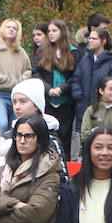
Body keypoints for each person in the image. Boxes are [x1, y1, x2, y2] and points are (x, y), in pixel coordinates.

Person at [35, 20, 80, 156]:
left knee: (64, 134)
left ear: (62, 32)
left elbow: (76, 76)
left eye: (54, 30)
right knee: (47, 133)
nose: (51, 34)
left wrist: (62, 89)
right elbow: (36, 72)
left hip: (66, 100)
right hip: (47, 98)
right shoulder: (42, 51)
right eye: (49, 31)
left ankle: (63, 163)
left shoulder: (74, 52)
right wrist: (48, 88)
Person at [72, 26, 112, 125]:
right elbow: (76, 79)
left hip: (103, 109)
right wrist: (78, 95)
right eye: (89, 38)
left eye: (94, 38)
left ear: (103, 41)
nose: (90, 41)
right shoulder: (85, 60)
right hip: (83, 108)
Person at [81, 76, 112, 147]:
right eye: (110, 89)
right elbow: (85, 135)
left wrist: (95, 130)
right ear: (101, 91)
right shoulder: (91, 110)